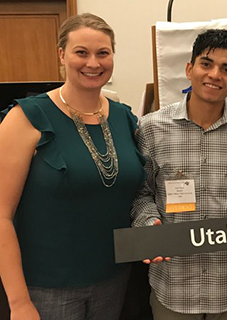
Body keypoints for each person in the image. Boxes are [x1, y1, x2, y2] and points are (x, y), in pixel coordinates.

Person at [0, 13, 146, 320]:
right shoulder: (26, 118)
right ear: (62, 54)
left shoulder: (124, 118)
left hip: (113, 279)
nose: (93, 63)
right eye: (82, 52)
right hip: (46, 288)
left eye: (102, 53)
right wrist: (19, 302)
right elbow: (1, 216)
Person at [131, 29, 227, 320]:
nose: (215, 74)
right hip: (172, 287)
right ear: (189, 69)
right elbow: (141, 193)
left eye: (226, 68)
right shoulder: (151, 128)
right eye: (206, 64)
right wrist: (149, 222)